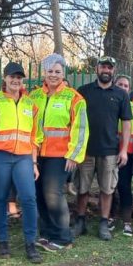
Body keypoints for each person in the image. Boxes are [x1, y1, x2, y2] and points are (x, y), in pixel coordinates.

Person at [0, 62, 42, 263]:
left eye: (19, 77)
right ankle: (3, 240)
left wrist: (34, 163)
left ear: (23, 80)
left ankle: (30, 243)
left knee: (29, 198)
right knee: (0, 198)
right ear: (4, 78)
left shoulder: (31, 105)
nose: (16, 81)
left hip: (23, 158)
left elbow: (34, 136)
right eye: (12, 77)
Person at [30, 54, 89, 251]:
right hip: (37, 154)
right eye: (50, 71)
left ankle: (63, 238)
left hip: (61, 155)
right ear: (44, 73)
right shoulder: (35, 96)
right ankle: (47, 234)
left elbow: (80, 129)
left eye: (57, 71)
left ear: (64, 73)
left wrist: (74, 154)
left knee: (53, 194)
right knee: (39, 193)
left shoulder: (74, 97)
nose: (53, 75)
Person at [75, 56, 133, 241]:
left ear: (113, 70)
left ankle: (103, 223)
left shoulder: (121, 94)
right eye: (103, 67)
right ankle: (80, 221)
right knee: (82, 188)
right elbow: (74, 120)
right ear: (97, 69)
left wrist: (123, 150)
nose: (106, 70)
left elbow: (126, 123)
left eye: (109, 67)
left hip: (110, 150)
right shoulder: (83, 91)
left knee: (107, 189)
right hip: (85, 150)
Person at [113, 75, 133, 237]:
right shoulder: (109, 104)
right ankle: (111, 216)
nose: (123, 88)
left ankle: (126, 221)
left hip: (129, 154)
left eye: (126, 85)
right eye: (120, 85)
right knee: (109, 187)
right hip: (110, 151)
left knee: (124, 186)